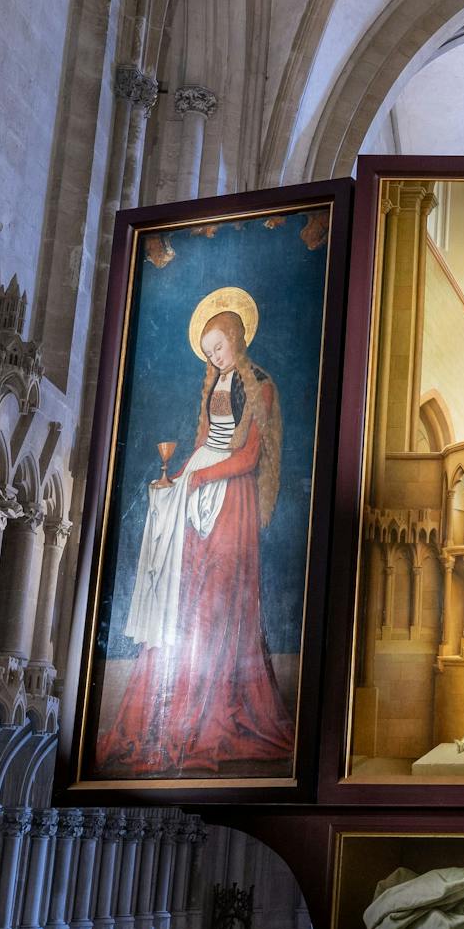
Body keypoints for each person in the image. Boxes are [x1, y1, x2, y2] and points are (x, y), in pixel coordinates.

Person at [98, 285, 295, 777]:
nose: (215, 357)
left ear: (237, 338)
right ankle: (171, 710)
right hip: (200, 488)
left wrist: (201, 477)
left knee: (219, 599)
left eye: (220, 348)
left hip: (234, 497)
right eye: (209, 353)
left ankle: (213, 712)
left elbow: (248, 456)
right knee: (187, 598)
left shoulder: (262, 385)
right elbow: (203, 441)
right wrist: (177, 477)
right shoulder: (211, 385)